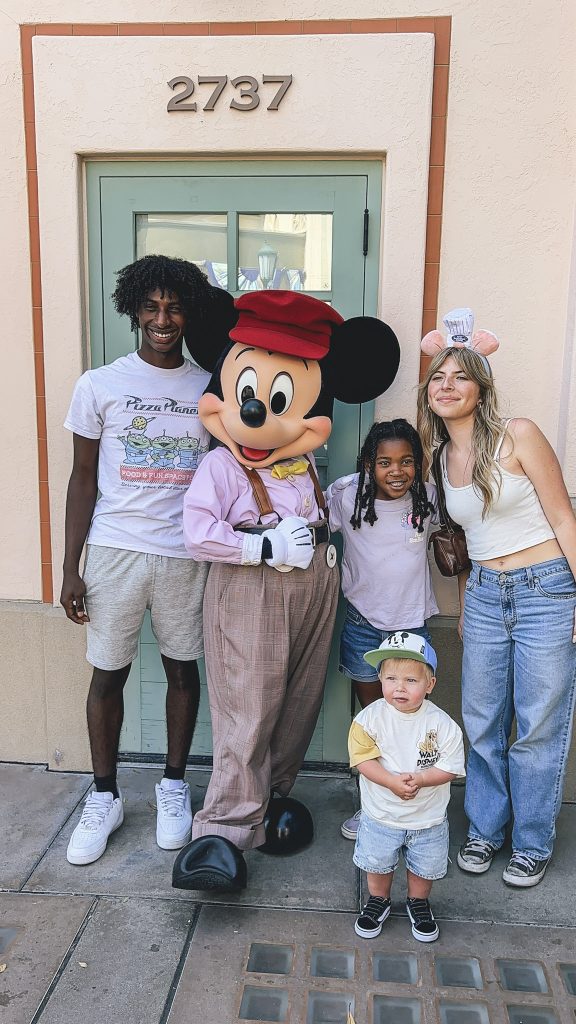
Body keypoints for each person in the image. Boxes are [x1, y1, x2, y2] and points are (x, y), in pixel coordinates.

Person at [171, 290, 400, 893]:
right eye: (247, 395)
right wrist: (262, 547)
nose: (255, 415)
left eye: (275, 400)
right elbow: (198, 532)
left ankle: (267, 803)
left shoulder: (305, 464)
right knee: (247, 708)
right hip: (252, 590)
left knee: (295, 704)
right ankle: (218, 830)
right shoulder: (221, 467)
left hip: (313, 590)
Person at [60, 254, 230, 866]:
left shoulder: (206, 387)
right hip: (114, 551)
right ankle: (103, 796)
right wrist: (69, 566)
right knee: (109, 673)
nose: (164, 319)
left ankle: (173, 785)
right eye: (153, 307)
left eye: (175, 307)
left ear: (188, 314)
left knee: (183, 672)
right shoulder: (98, 384)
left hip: (186, 554)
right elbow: (82, 480)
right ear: (134, 310)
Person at [418, 307, 576, 888]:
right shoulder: (439, 458)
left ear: (481, 389)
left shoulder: (521, 435)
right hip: (484, 594)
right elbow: (462, 540)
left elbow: (564, 517)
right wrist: (465, 605)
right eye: (438, 377)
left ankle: (532, 842)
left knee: (537, 726)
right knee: (482, 722)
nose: (447, 386)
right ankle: (486, 829)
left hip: (546, 590)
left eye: (460, 376)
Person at [326, 419, 439, 841]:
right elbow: (312, 515)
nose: (397, 471)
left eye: (407, 461)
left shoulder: (427, 500)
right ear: (368, 464)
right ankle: (373, 804)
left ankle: (409, 802)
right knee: (374, 721)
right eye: (384, 462)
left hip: (412, 632)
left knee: (409, 720)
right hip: (363, 627)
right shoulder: (348, 497)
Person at [350, 631, 464, 942]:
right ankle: (378, 900)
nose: (399, 687)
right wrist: (390, 781)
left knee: (424, 867)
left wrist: (423, 779)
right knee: (378, 862)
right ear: (380, 679)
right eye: (391, 678)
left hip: (427, 817)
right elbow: (363, 760)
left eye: (411, 680)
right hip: (380, 813)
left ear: (430, 685)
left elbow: (451, 766)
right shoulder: (368, 719)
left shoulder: (442, 725)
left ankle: (418, 902)